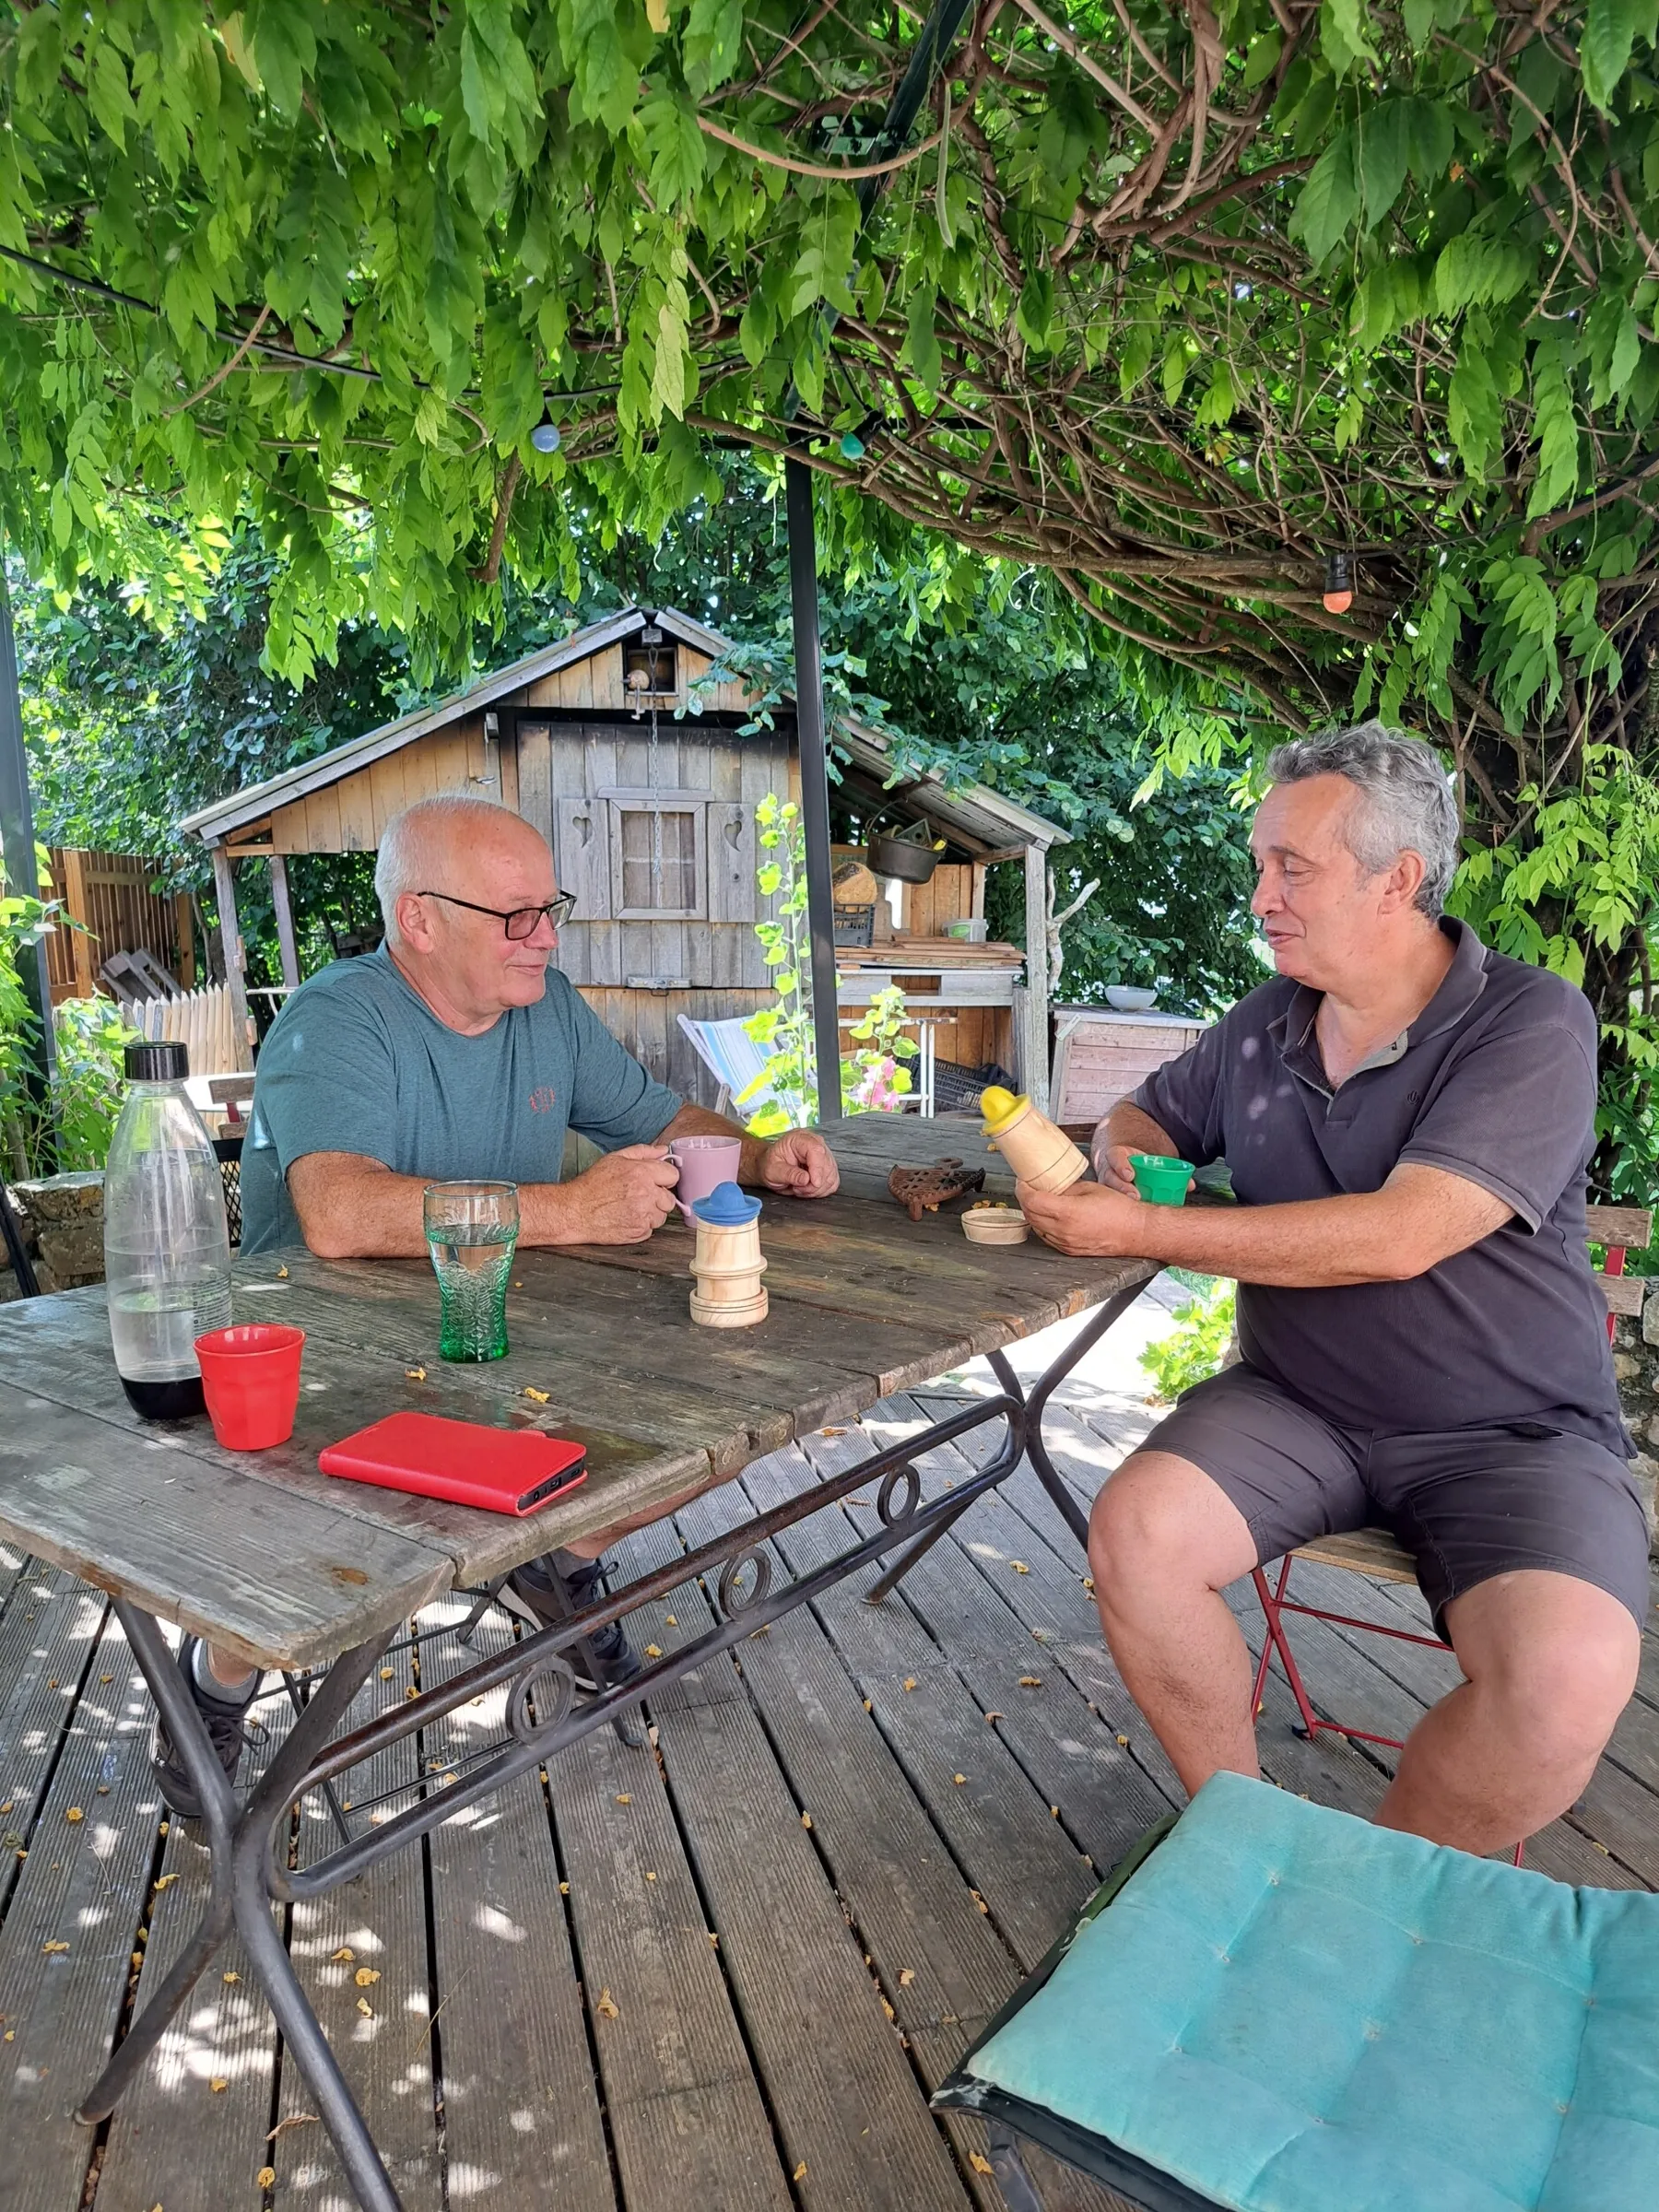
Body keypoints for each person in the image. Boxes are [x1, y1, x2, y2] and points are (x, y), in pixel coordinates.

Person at [1018, 722, 1646, 1858]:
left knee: (1566, 1679)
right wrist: (1125, 1150)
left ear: (1397, 879)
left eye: (1290, 868)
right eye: (1262, 864)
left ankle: (1365, 1890)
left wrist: (1146, 1227)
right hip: (1297, 1405)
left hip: (1510, 1432)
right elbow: (1149, 1112)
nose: (1261, 894)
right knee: (1139, 1535)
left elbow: (1406, 1235)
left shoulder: (1529, 1020)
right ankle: (1245, 1840)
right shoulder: (1270, 1020)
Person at [157, 793, 840, 1817]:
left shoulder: (547, 1008)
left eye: (550, 909)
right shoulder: (337, 1019)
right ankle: (214, 1682)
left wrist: (759, 1152)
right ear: (418, 920)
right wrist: (569, 1209)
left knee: (748, 1402)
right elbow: (337, 1213)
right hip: (333, 1363)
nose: (547, 937)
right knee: (305, 1551)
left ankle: (562, 1558)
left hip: (509, 1337)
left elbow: (662, 1119)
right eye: (515, 916)